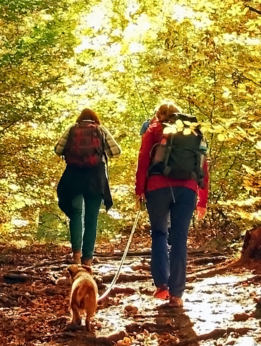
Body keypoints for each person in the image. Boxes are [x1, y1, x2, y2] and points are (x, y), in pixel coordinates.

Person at [135, 101, 210, 306]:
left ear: (158, 115)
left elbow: (143, 160)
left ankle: (162, 287)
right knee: (179, 238)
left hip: (157, 187)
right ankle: (177, 294)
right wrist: (202, 199)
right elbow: (203, 164)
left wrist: (139, 190)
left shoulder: (154, 129)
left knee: (159, 233)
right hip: (187, 189)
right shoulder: (193, 133)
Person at [55, 108, 120, 264]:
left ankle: (76, 254)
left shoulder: (72, 129)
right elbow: (116, 151)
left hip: (74, 175)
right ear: (95, 119)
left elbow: (57, 149)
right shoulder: (100, 130)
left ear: (80, 119)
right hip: (95, 177)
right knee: (91, 218)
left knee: (76, 213)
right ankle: (88, 259)